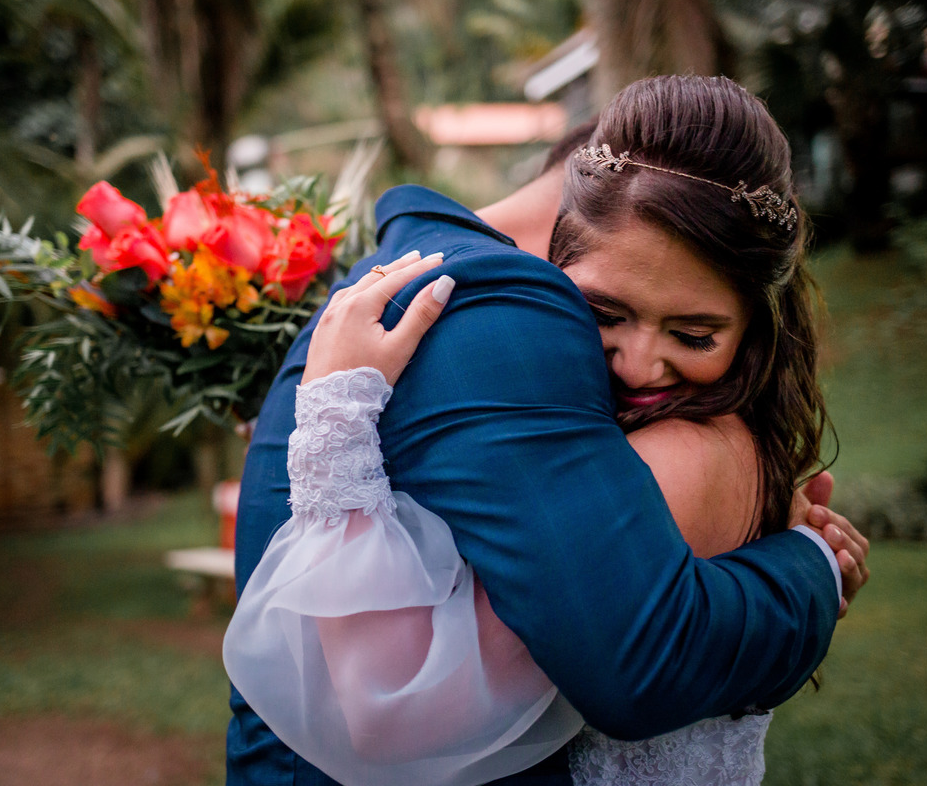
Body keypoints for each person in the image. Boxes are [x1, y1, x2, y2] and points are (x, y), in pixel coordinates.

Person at [225, 76, 869, 786]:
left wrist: (332, 421)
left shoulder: (689, 449)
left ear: (754, 329)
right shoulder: (520, 344)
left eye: (693, 334)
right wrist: (809, 565)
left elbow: (629, 663)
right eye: (605, 314)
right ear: (564, 235)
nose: (639, 363)